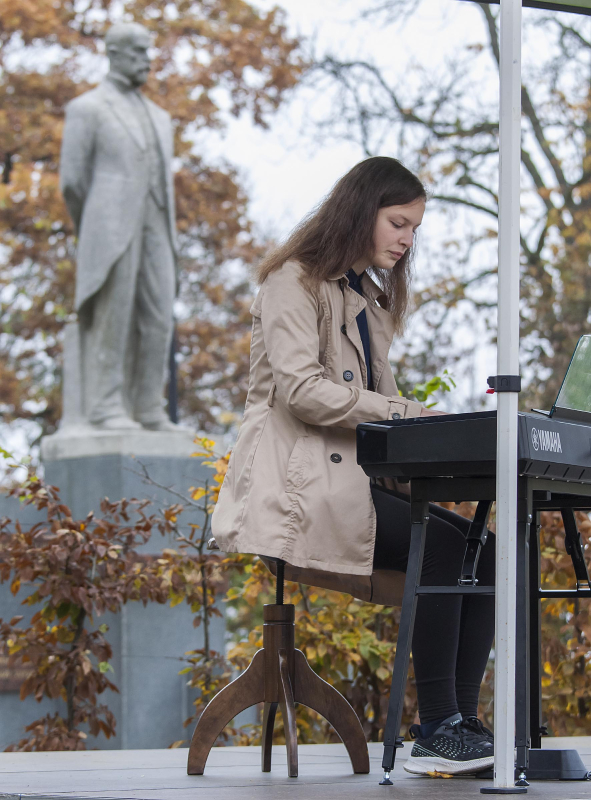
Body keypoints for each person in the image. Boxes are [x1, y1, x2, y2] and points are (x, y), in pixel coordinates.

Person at [211, 156, 495, 776]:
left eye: (415, 228)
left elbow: (378, 417)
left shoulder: (366, 301)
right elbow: (302, 391)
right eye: (399, 222)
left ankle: (461, 721)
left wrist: (437, 431)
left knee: (487, 547)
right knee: (445, 548)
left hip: (352, 482)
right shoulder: (293, 281)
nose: (407, 239)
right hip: (299, 487)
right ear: (362, 211)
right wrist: (402, 411)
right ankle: (438, 725)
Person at [60, 22, 180, 431]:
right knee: (114, 315)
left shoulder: (161, 118)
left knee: (159, 314)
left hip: (157, 224)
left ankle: (148, 406)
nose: (147, 61)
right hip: (109, 226)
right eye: (139, 53)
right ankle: (106, 406)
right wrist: (93, 225)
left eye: (148, 52)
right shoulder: (87, 109)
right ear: (114, 54)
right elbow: (72, 182)